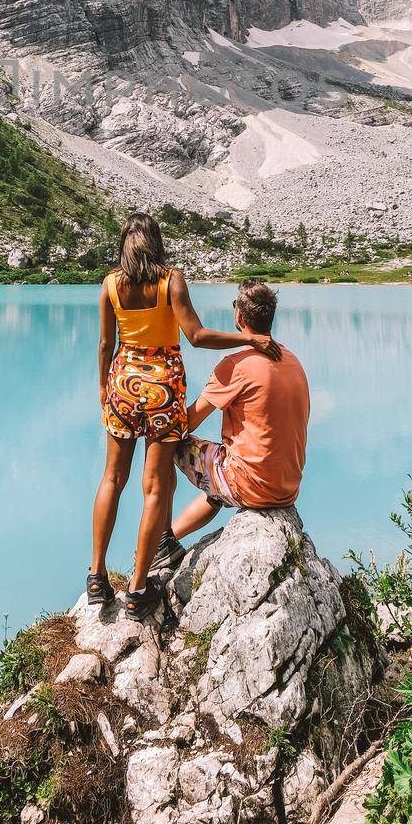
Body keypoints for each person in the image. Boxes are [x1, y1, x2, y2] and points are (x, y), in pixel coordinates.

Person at [89, 213, 281, 620]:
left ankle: (96, 575)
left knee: (112, 479)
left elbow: (107, 345)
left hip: (122, 383)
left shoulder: (110, 285)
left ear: (124, 244)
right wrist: (250, 338)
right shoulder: (170, 280)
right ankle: (139, 589)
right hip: (162, 387)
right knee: (156, 487)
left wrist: (104, 391)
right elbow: (196, 335)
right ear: (156, 243)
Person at [151, 279, 310, 573]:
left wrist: (154, 418)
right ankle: (169, 539)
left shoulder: (236, 365)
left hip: (250, 485)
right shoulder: (293, 360)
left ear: (238, 316)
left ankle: (159, 542)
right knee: (217, 480)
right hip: (287, 487)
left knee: (167, 440)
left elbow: (188, 421)